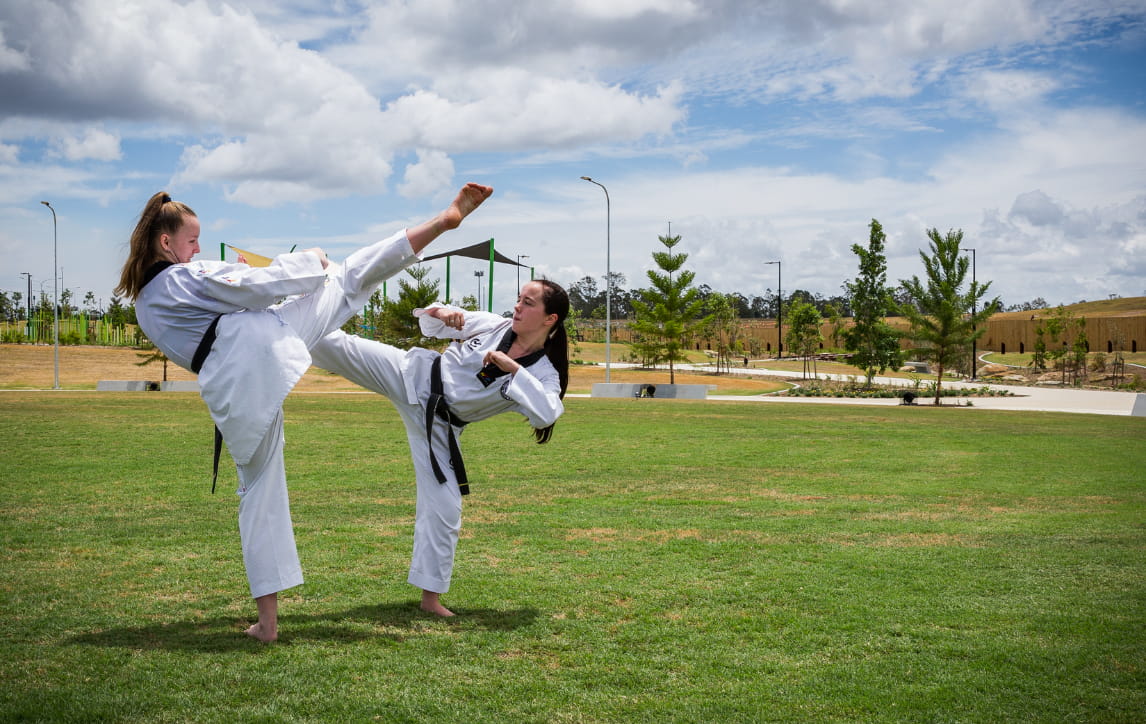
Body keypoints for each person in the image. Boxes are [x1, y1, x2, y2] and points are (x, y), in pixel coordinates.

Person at [114, 182, 493, 641]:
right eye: (191, 241)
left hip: (232, 389)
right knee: (349, 275)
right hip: (265, 346)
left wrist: (240, 282)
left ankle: (268, 624)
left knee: (257, 492)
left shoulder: (146, 304)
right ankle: (442, 221)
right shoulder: (183, 277)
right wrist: (310, 259)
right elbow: (262, 285)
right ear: (166, 242)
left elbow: (220, 309)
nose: (196, 250)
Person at [309, 278, 569, 616]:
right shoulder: (493, 324)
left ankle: (429, 599)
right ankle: (273, 318)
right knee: (334, 344)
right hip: (412, 374)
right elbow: (430, 323)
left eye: (529, 302)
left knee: (445, 509)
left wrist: (513, 369)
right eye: (519, 298)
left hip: (441, 427)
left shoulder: (544, 374)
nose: (518, 306)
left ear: (550, 319)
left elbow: (546, 414)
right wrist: (442, 313)